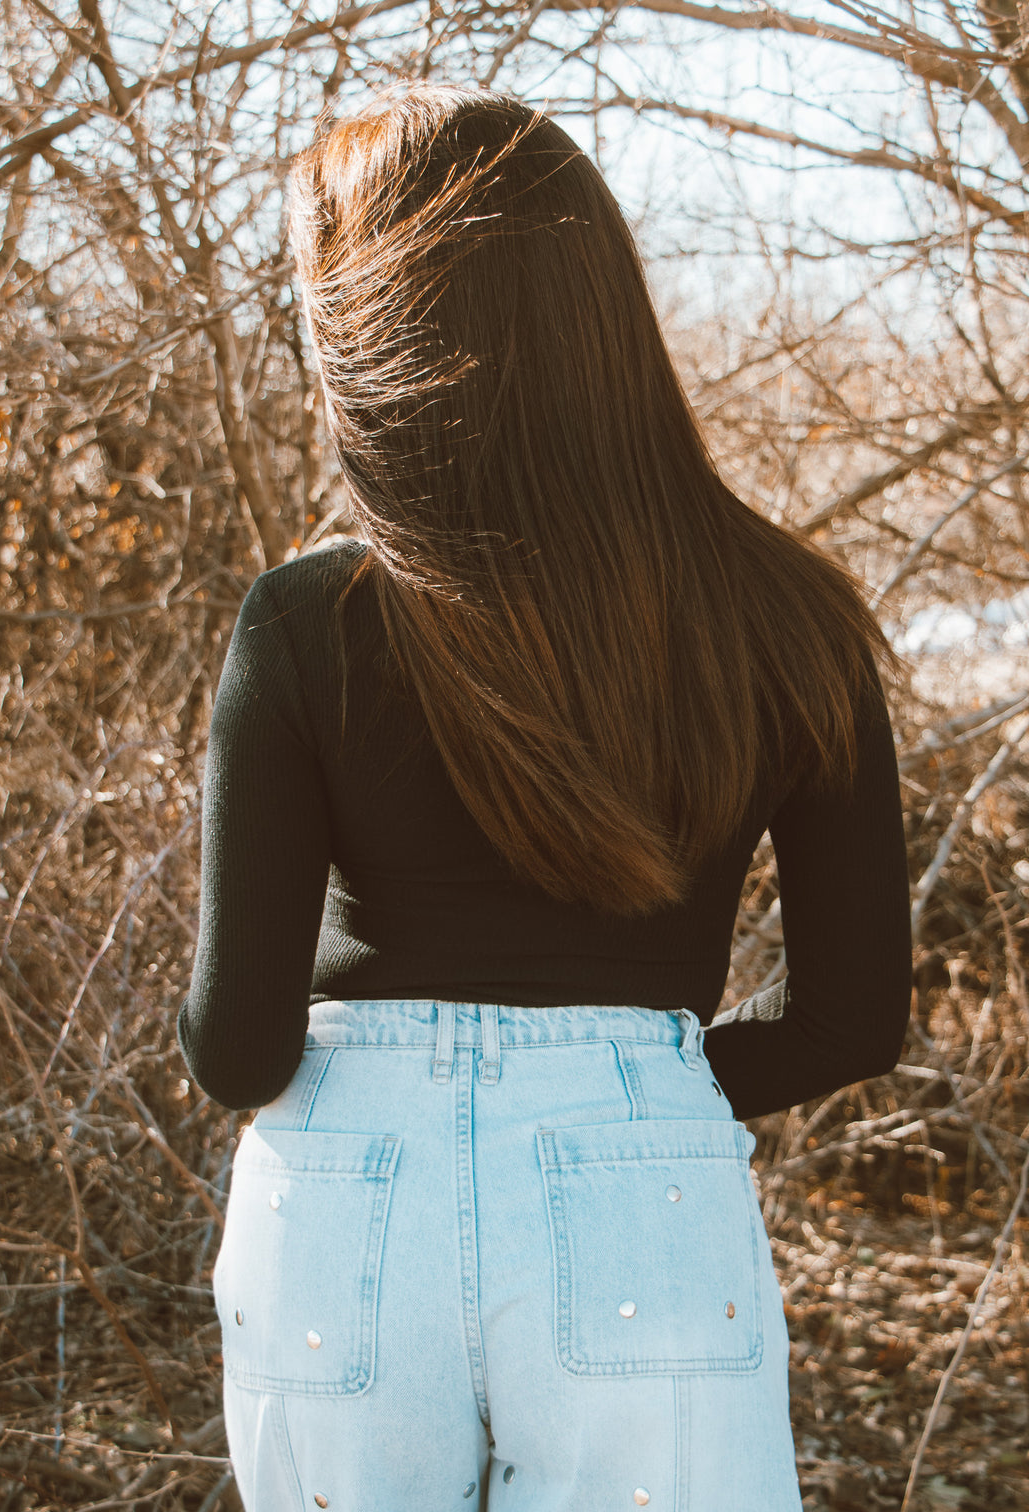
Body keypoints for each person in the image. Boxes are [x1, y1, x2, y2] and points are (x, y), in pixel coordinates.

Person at [178, 84, 912, 1512]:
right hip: (644, 1185)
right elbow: (851, 1017)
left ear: (376, 345)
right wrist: (642, 1085)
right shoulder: (791, 620)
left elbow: (241, 1050)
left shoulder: (307, 622)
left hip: (344, 1200)